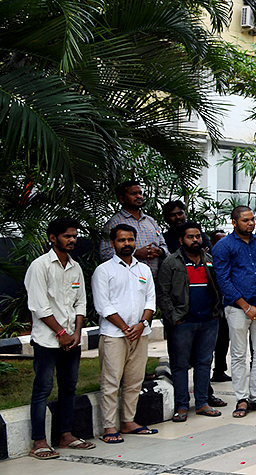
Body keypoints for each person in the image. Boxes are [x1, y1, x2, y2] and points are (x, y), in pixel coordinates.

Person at [26, 217, 93, 460]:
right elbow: (39, 306)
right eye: (67, 236)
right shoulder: (40, 266)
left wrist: (75, 333)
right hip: (47, 340)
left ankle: (66, 435)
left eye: (74, 236)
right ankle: (39, 441)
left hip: (71, 341)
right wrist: (61, 333)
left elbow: (81, 303)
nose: (72, 240)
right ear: (53, 238)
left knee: (68, 388)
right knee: (42, 389)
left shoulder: (75, 267)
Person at [92, 224, 158, 443]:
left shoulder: (144, 269)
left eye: (130, 240)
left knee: (134, 380)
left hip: (140, 333)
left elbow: (150, 300)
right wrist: (125, 327)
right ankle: (109, 427)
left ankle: (128, 421)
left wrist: (141, 324)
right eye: (122, 240)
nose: (127, 244)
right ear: (113, 244)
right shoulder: (104, 270)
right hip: (114, 335)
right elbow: (103, 305)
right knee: (111, 381)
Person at [211, 206, 256, 418]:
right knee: (239, 354)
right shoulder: (224, 246)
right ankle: (241, 398)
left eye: (252, 220)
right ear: (234, 222)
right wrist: (245, 306)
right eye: (246, 220)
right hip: (238, 309)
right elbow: (223, 279)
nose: (250, 224)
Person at [158, 222, 224, 422]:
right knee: (180, 365)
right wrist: (174, 318)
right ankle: (182, 405)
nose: (195, 240)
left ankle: (202, 403)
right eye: (190, 237)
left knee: (204, 363)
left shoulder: (209, 260)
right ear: (181, 240)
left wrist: (216, 312)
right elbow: (163, 294)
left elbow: (219, 287)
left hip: (208, 321)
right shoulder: (171, 263)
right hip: (182, 323)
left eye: (198, 236)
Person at [102, 180, 167, 276]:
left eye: (140, 193)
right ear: (122, 199)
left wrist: (160, 251)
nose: (139, 196)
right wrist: (135, 253)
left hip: (155, 279)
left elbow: (164, 246)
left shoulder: (150, 221)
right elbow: (105, 253)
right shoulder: (114, 223)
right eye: (133, 194)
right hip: (127, 279)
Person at [210, 227, 231, 382]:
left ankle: (220, 370)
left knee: (224, 341)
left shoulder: (230, 258)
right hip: (211, 308)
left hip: (227, 306)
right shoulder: (207, 260)